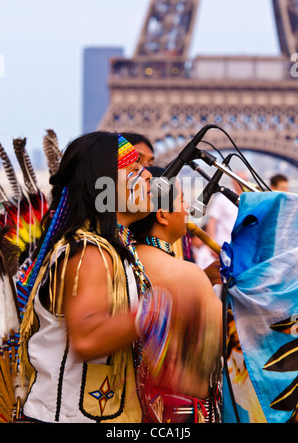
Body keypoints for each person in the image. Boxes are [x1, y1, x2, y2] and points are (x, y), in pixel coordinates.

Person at [17, 131, 155, 423]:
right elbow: (88, 338)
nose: (147, 177)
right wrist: (159, 313)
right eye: (133, 171)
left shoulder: (112, 250)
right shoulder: (89, 253)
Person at [129, 167, 223, 423]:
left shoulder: (122, 264)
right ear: (162, 215)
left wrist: (204, 279)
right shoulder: (187, 274)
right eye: (181, 201)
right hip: (181, 414)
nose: (187, 209)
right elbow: (218, 347)